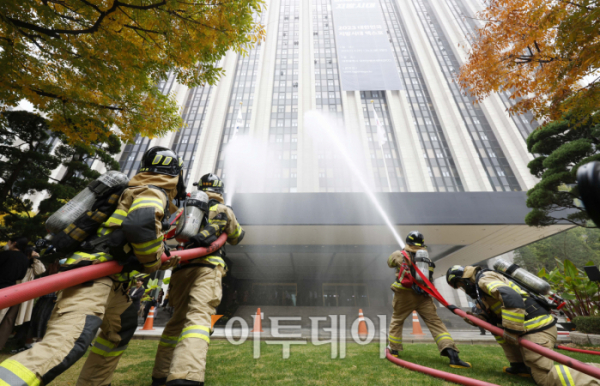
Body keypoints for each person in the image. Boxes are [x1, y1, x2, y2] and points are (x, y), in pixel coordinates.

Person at [0, 146, 185, 386]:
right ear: (175, 174)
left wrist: (160, 254)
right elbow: (141, 225)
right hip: (95, 275)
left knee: (118, 333)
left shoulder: (131, 190)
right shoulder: (153, 191)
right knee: (69, 342)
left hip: (117, 280)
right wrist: (153, 262)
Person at [151, 173, 245, 386]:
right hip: (207, 269)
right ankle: (185, 377)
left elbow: (171, 233)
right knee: (199, 320)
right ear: (220, 191)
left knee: (176, 322)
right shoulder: (223, 210)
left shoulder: (185, 211)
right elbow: (237, 236)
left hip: (181, 269)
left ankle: (160, 375)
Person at [446, 264, 600, 385]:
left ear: (463, 278)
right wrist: (474, 317)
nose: (463, 289)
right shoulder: (482, 288)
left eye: (460, 285)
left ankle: (594, 374)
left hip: (536, 328)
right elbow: (492, 316)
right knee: (533, 369)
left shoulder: (483, 279)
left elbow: (511, 297)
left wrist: (512, 331)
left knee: (544, 377)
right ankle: (520, 366)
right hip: (531, 329)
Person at [387, 231, 471, 369]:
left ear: (408, 242)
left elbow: (389, 263)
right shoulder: (427, 259)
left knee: (397, 320)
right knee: (435, 323)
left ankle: (394, 350)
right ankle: (453, 355)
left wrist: (400, 255)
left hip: (405, 295)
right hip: (423, 296)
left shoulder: (400, 254)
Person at [12, 247, 46, 352]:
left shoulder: (33, 265)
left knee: (19, 317)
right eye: (34, 251)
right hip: (14, 291)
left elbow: (41, 270)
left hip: (25, 294)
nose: (36, 253)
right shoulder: (20, 261)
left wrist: (36, 259)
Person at [0, 236, 30, 349]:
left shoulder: (4, 255)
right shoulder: (24, 259)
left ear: (14, 243)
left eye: (8, 242)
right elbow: (21, 276)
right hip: (11, 291)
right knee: (5, 319)